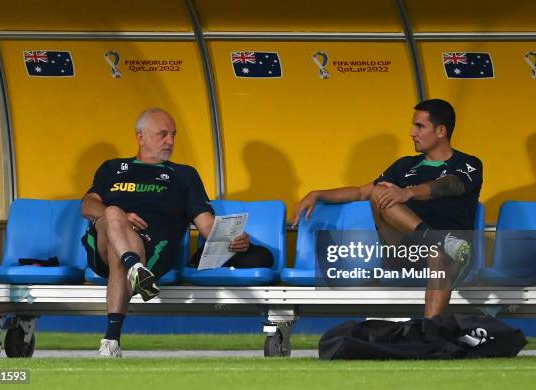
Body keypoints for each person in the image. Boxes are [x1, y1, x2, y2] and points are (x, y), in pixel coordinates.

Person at [81, 108, 272, 357]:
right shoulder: (112, 168)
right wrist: (119, 217)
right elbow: (87, 205)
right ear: (141, 137)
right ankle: (135, 269)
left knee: (122, 252)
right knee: (114, 212)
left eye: (173, 135)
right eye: (163, 134)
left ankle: (112, 338)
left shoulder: (184, 175)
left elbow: (206, 226)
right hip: (105, 247)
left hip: (152, 252)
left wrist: (235, 239)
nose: (170, 141)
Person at [293, 99, 482, 317]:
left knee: (438, 255)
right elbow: (362, 192)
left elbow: (450, 184)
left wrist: (408, 192)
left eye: (420, 126)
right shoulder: (405, 165)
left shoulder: (469, 163)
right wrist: (317, 194)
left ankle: (429, 334)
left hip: (451, 254)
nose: (412, 133)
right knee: (378, 192)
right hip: (403, 250)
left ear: (441, 131)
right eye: (413, 126)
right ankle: (439, 240)